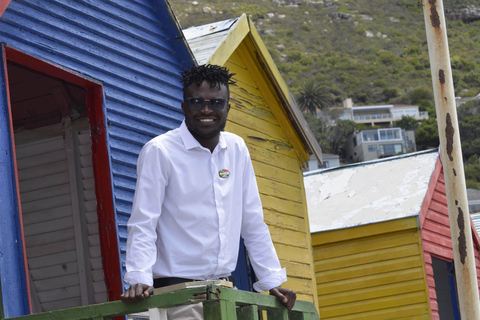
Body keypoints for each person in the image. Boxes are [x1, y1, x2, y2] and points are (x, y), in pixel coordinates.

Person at [120, 64, 296, 318]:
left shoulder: (237, 149)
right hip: (177, 293)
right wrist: (139, 276)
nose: (206, 110)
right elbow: (144, 222)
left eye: (215, 103)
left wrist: (271, 281)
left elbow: (253, 222)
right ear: (183, 107)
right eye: (196, 102)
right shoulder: (160, 151)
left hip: (225, 291)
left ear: (227, 108)